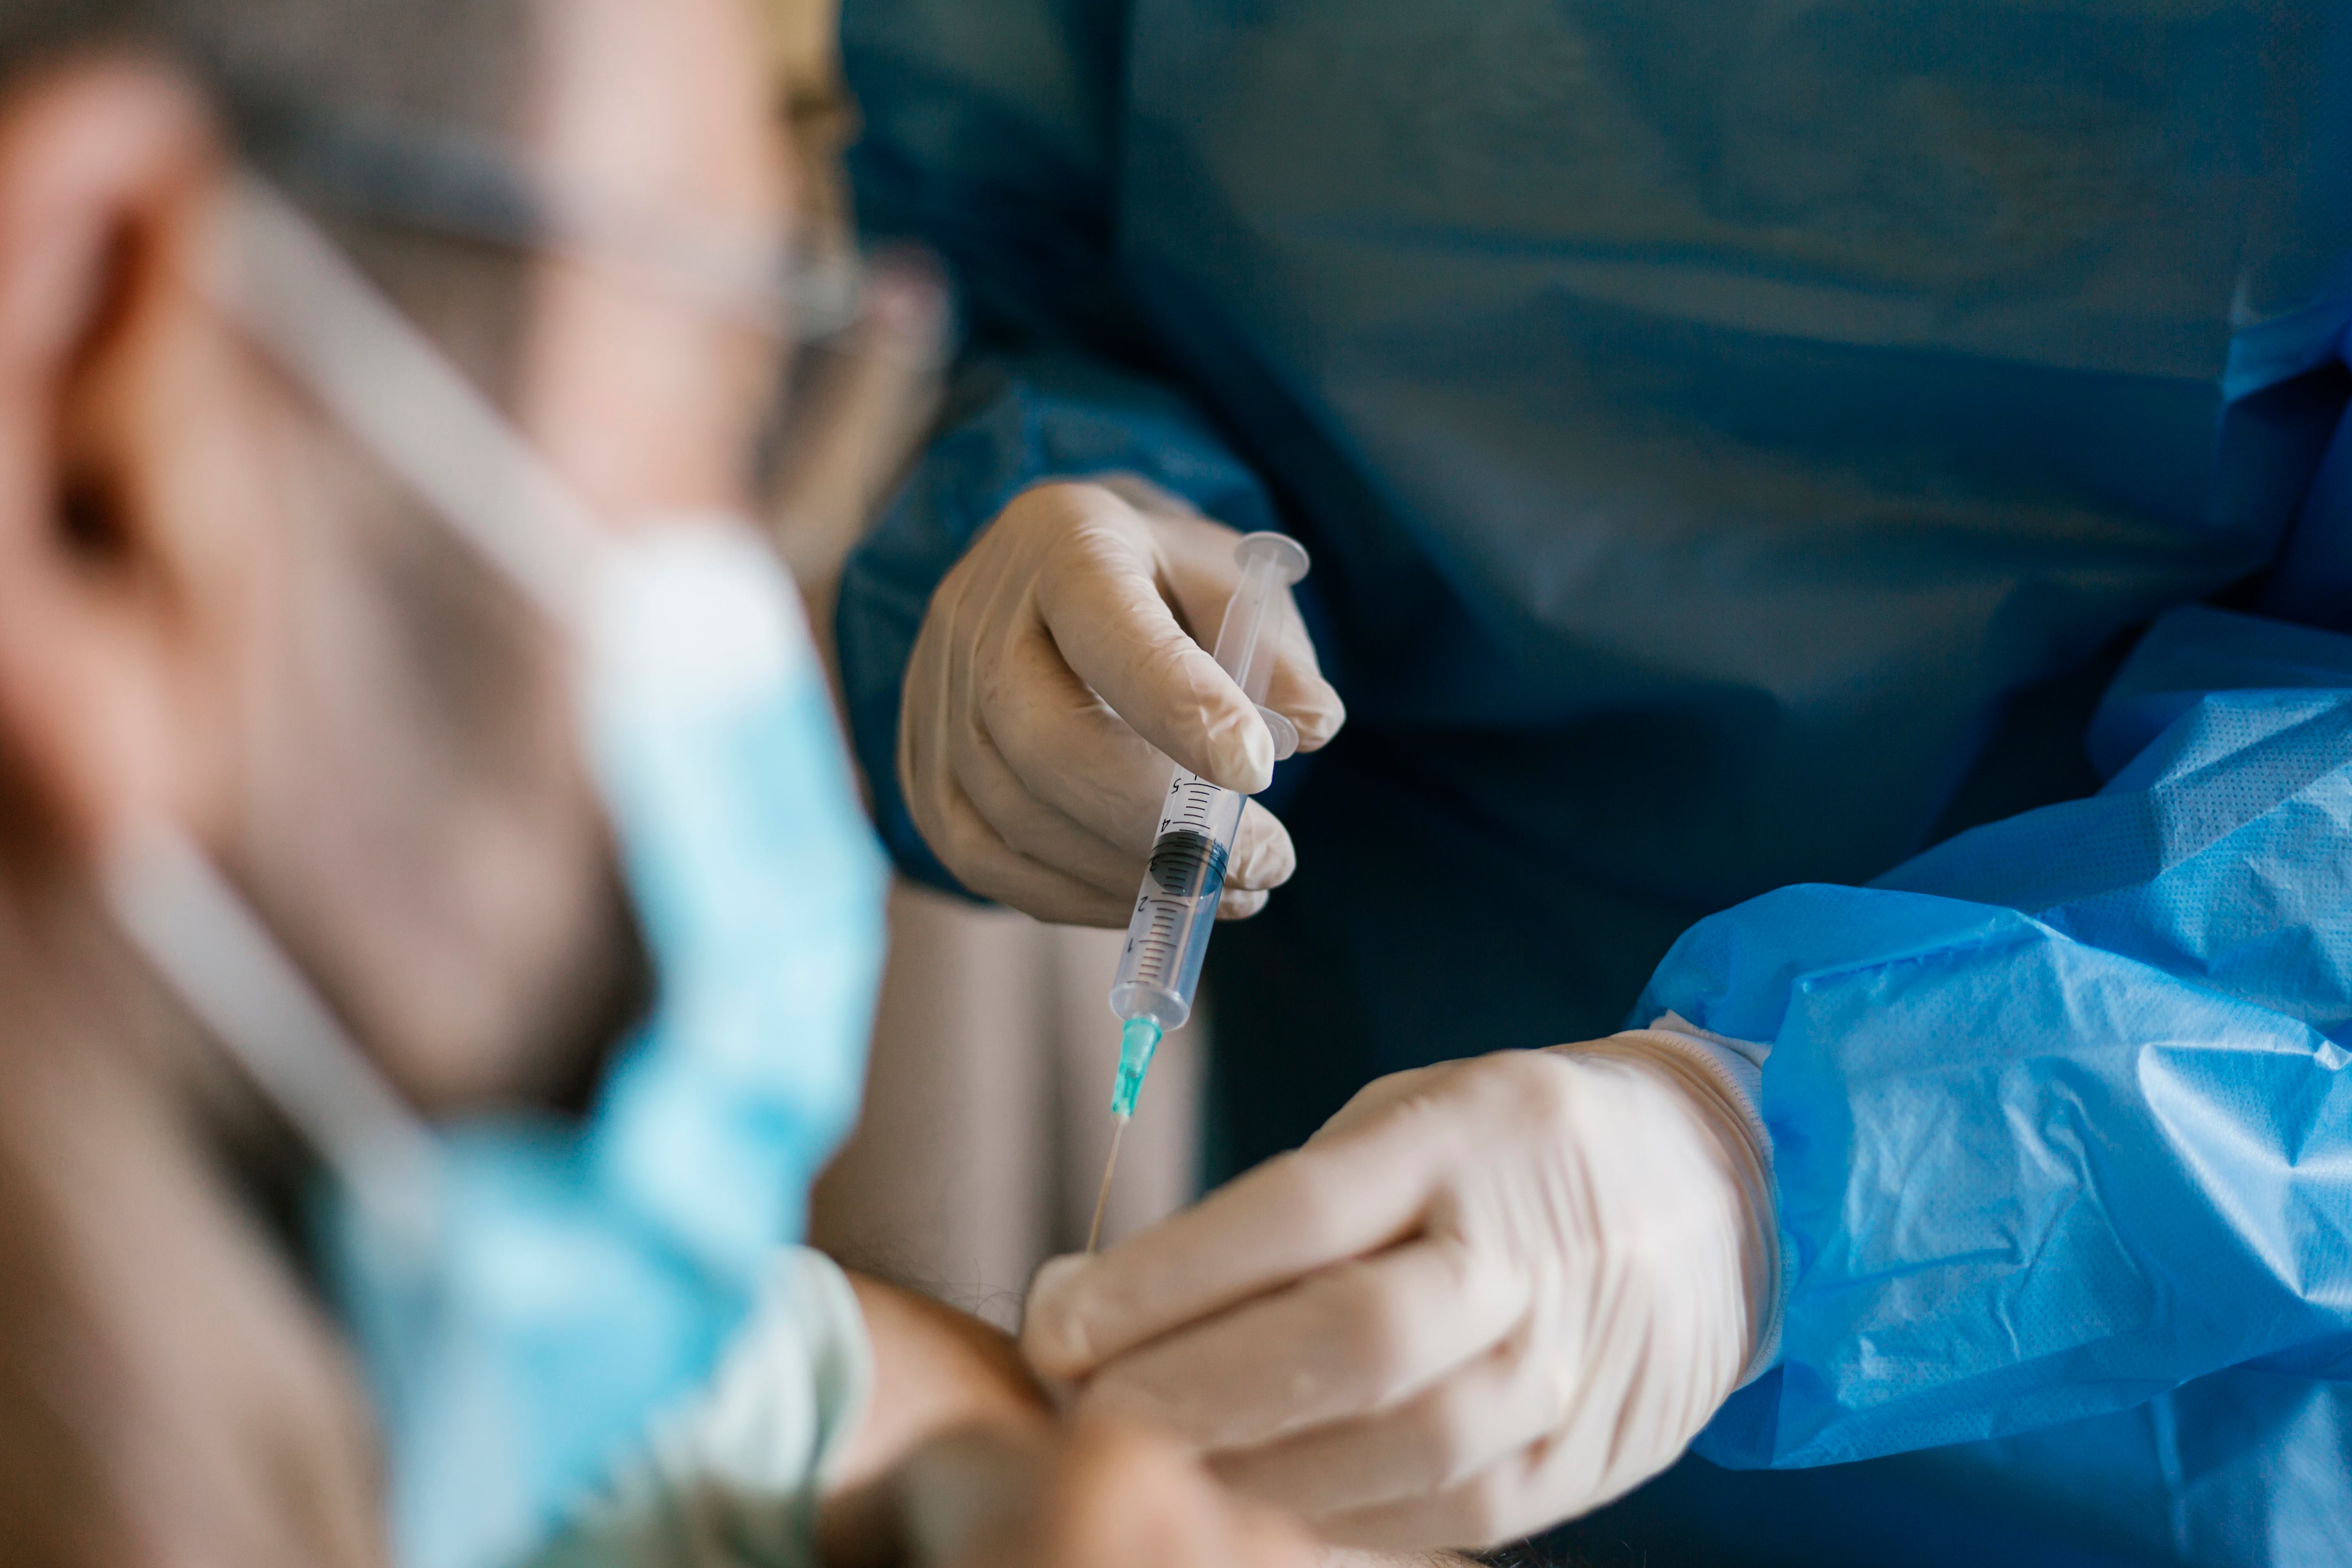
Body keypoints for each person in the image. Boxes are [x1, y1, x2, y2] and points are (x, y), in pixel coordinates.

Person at [831, 3, 2352, 1564]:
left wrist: (1792, 1168)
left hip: (2147, 1340)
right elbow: (1005, 236)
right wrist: (1086, 511)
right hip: (1367, 1277)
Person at [0, 2, 1338, 1566]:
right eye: (722, 396)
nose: (760, 622)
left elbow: (873, 1420)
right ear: (97, 428)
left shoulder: (408, 1346)